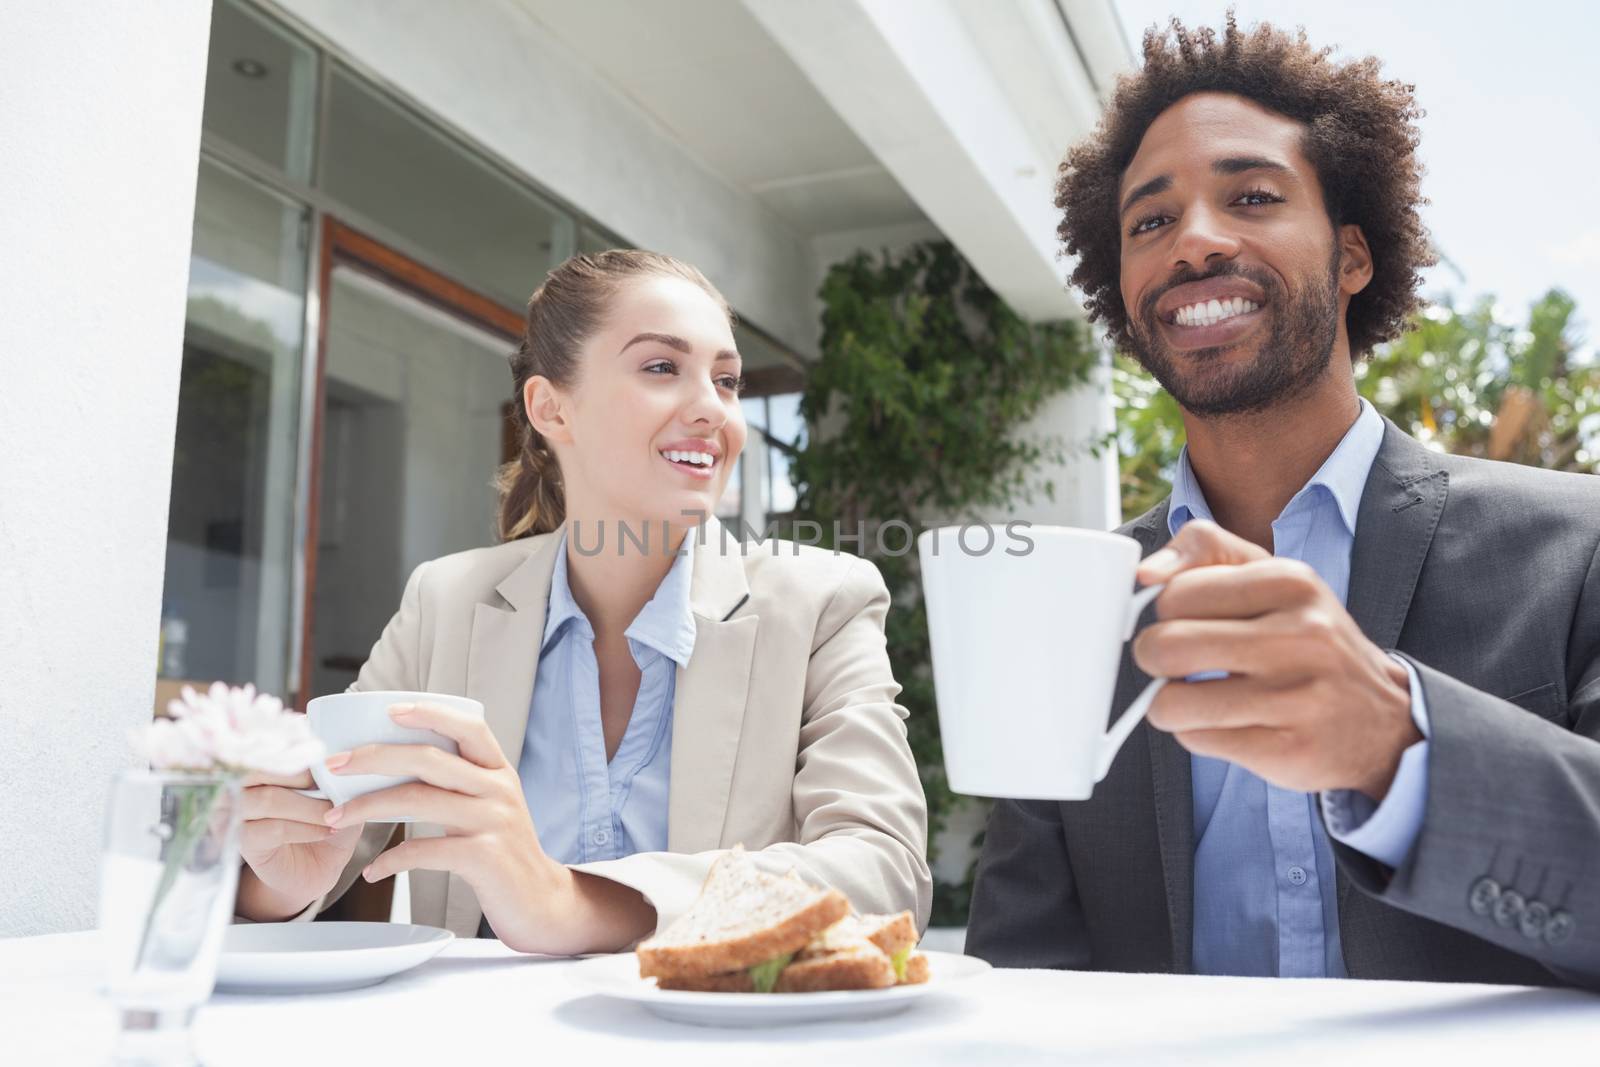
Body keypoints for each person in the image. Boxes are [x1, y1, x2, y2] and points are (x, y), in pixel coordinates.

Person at [966, 15, 1600, 986]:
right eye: (1149, 221)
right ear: (1120, 286)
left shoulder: (1576, 548)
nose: (1195, 242)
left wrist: (1403, 746)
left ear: (1352, 255)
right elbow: (1021, 973)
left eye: (1251, 195)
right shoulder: (1067, 609)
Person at [233, 250, 931, 954]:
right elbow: (314, 843)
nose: (711, 410)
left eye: (726, 380)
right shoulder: (444, 603)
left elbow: (883, 872)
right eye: (662, 367)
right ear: (550, 407)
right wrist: (282, 879)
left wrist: (571, 904)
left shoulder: (822, 604)